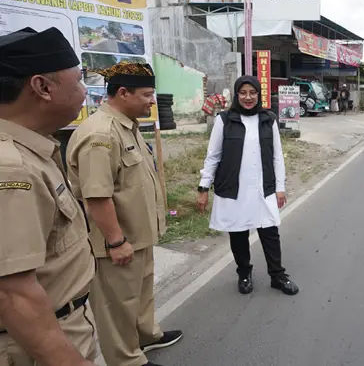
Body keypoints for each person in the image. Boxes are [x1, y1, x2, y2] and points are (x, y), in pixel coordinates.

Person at [66, 60, 182, 366]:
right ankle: (127, 360)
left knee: (141, 295)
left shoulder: (126, 127)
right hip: (115, 242)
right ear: (123, 93)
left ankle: (147, 335)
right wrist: (116, 242)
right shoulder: (100, 135)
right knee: (118, 305)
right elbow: (97, 196)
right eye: (146, 95)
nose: (152, 101)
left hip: (138, 234)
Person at [0, 27, 96, 366]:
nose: (85, 91)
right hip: (39, 345)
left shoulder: (34, 149)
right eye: (79, 80)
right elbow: (13, 294)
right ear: (42, 87)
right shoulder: (12, 169)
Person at [196, 76, 299, 296]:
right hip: (235, 188)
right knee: (239, 233)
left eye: (252, 93)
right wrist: (203, 188)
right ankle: (244, 273)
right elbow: (213, 156)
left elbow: (277, 157)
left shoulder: (268, 119)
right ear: (236, 95)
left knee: (270, 232)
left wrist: (280, 187)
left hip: (263, 187)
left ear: (258, 95)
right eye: (243, 93)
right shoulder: (224, 120)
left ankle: (278, 275)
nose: (248, 97)